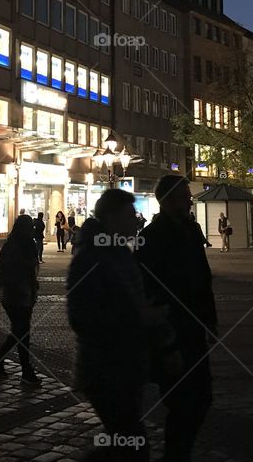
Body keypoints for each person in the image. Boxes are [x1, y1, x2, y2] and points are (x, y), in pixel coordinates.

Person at [68, 189, 175, 462]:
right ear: (112, 217)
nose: (137, 220)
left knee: (126, 442)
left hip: (126, 364)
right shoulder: (92, 256)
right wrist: (140, 316)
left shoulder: (118, 252)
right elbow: (81, 316)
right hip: (105, 367)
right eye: (131, 215)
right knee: (132, 445)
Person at [135, 175, 217, 462]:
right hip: (172, 330)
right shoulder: (152, 237)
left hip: (194, 326)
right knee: (182, 402)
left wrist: (210, 320)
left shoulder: (191, 231)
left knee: (202, 397)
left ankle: (177, 453)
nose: (189, 200)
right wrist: (164, 342)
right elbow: (150, 291)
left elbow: (203, 278)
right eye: (184, 196)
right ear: (167, 201)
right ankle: (175, 456)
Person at [0, 214, 41, 386]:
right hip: (21, 293)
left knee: (19, 331)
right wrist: (33, 290)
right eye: (30, 227)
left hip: (8, 292)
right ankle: (26, 371)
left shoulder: (8, 245)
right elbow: (30, 270)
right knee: (22, 333)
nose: (33, 229)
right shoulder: (27, 245)